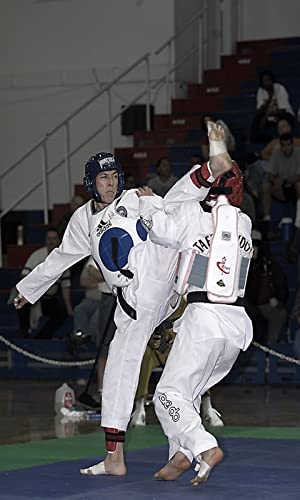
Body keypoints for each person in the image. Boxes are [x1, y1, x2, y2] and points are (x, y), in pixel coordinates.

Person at [14, 125, 234, 477]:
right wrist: (28, 289)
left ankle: (116, 458)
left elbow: (172, 212)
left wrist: (152, 202)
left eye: (114, 176)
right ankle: (181, 448)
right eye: (103, 178)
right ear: (91, 183)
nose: (111, 183)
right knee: (162, 376)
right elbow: (59, 258)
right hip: (149, 301)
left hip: (152, 285)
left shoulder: (133, 197)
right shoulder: (83, 221)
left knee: (119, 371)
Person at [137, 126, 253, 486]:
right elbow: (225, 175)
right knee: (185, 394)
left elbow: (157, 229)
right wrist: (219, 150)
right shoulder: (246, 224)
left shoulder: (193, 215)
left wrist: (148, 200)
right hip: (236, 327)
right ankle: (181, 455)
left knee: (166, 395)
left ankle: (203, 446)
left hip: (204, 320)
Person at [15, 227, 72, 338]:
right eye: (48, 239)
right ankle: (24, 333)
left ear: (59, 241)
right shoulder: (37, 255)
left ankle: (42, 337)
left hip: (49, 298)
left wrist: (69, 308)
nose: (51, 241)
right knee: (20, 303)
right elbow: (24, 277)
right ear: (45, 241)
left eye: (54, 239)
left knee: (61, 313)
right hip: (31, 294)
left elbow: (65, 286)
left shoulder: (65, 259)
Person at [244, 230, 288, 344]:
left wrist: (278, 300)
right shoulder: (242, 264)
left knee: (280, 313)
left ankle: (269, 349)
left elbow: (281, 285)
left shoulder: (270, 265)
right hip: (247, 305)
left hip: (266, 305)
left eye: (255, 247)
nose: (253, 251)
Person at [262, 133, 300, 238]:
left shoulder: (298, 153)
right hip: (279, 185)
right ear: (281, 145)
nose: (286, 148)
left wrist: (284, 181)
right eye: (283, 145)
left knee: (299, 185)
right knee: (266, 187)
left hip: (293, 183)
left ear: (292, 144)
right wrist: (276, 181)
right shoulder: (276, 152)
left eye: (288, 145)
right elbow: (270, 174)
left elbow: (298, 176)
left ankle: (298, 218)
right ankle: (267, 217)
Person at [251, 71, 294, 144]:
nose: (266, 83)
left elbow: (283, 110)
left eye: (268, 80)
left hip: (284, 115)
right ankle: (269, 141)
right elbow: (260, 111)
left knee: (283, 121)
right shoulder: (261, 91)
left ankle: (285, 141)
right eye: (264, 81)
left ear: (272, 80)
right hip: (269, 118)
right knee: (256, 120)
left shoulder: (280, 88)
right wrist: (268, 100)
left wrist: (267, 115)